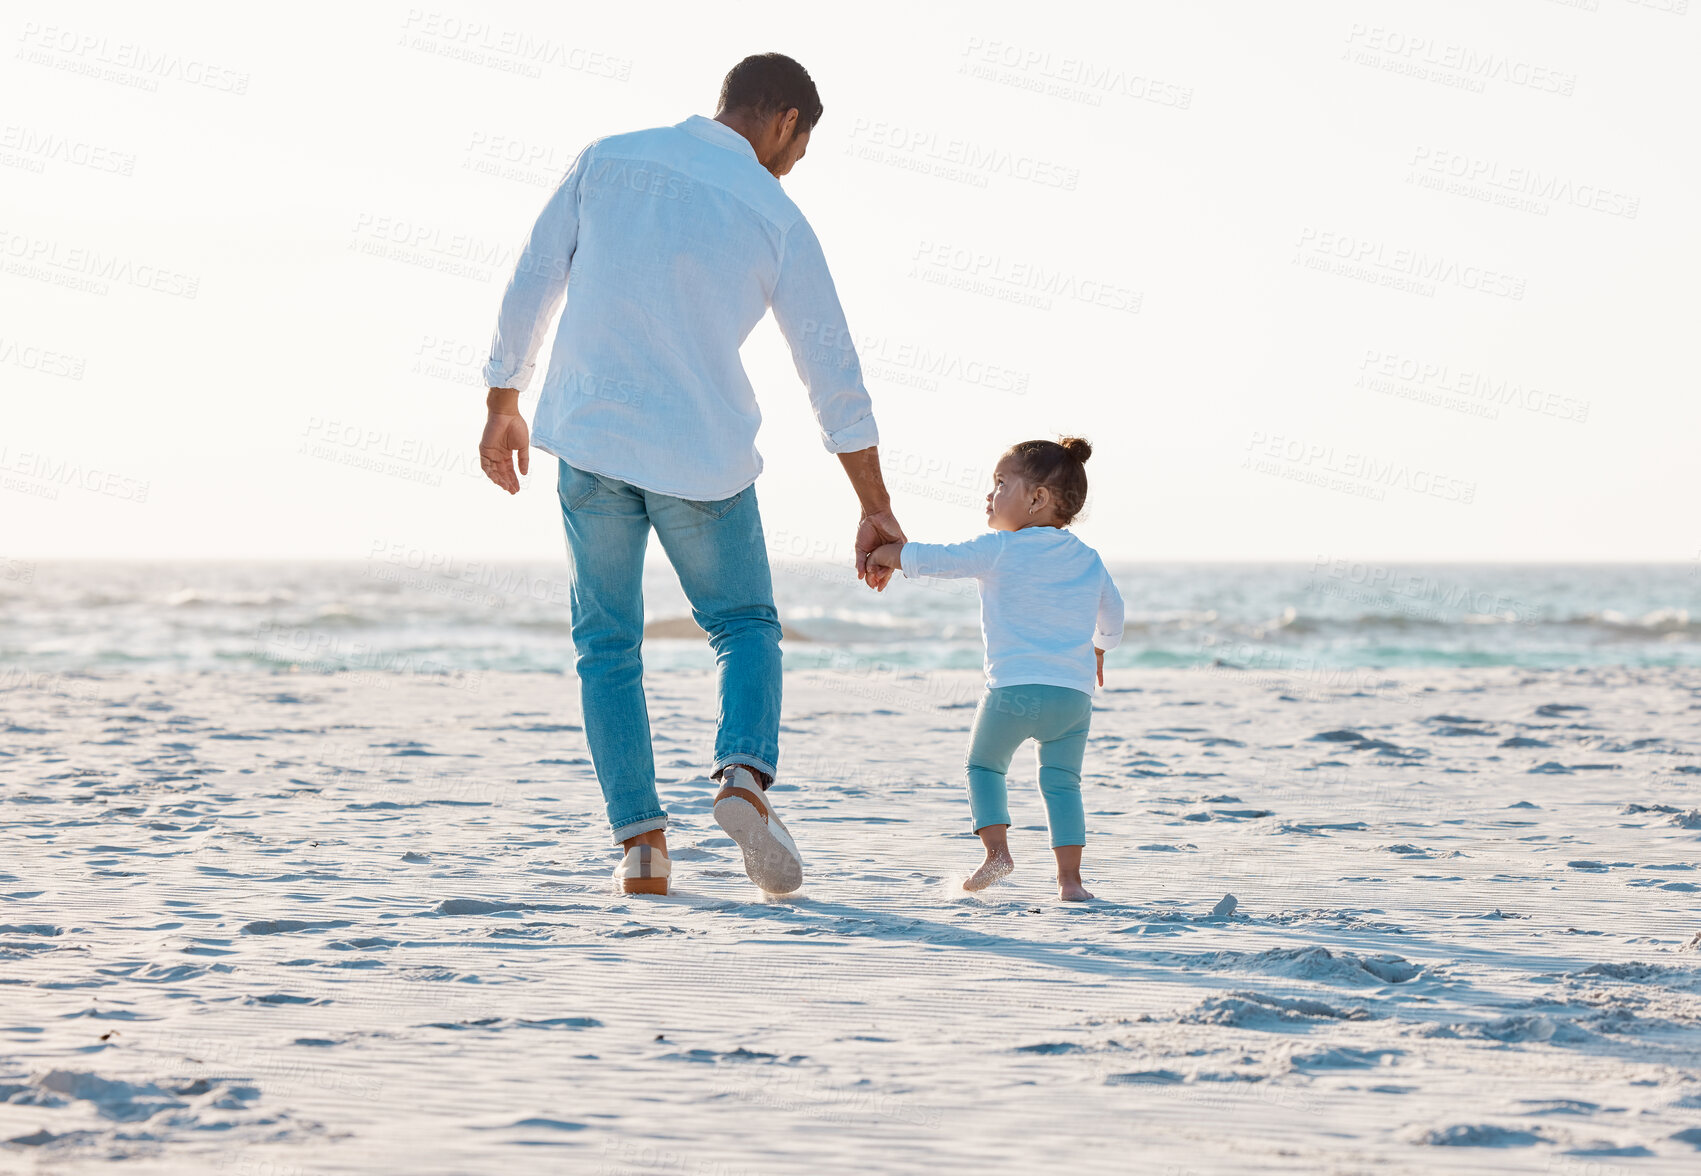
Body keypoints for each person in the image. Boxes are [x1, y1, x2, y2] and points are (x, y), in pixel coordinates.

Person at [477, 53, 905, 897]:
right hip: (699, 459)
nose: (793, 164)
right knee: (744, 628)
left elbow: (534, 275)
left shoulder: (610, 155)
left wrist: (502, 399)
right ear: (784, 120)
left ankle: (641, 847)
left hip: (591, 442)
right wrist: (874, 505)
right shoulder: (775, 215)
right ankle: (742, 778)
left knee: (606, 647)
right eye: (800, 146)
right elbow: (832, 370)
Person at [866, 438, 1123, 901]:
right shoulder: (1088, 558)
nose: (989, 495)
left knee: (984, 765)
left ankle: (997, 854)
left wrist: (889, 555)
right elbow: (1114, 618)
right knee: (1063, 783)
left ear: (1037, 499)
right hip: (1072, 699)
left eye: (1001, 483)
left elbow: (940, 560)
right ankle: (1071, 882)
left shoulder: (1001, 548)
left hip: (1011, 694)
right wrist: (1099, 649)